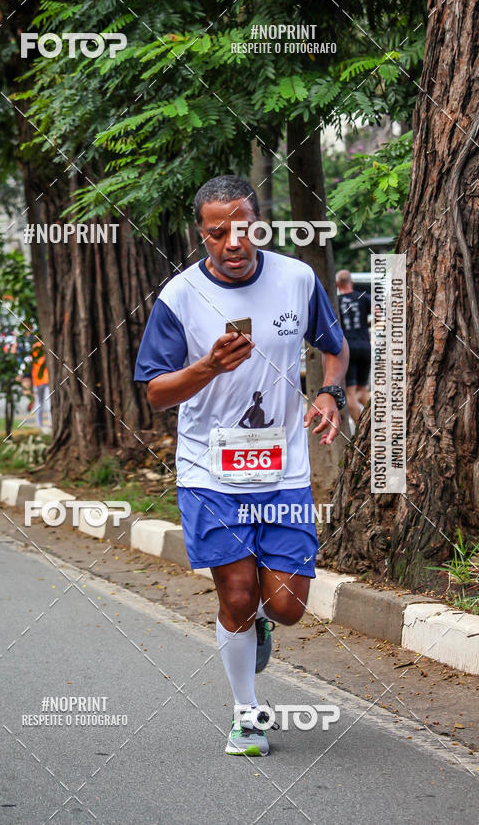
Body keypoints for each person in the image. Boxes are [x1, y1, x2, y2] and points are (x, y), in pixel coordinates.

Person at [134, 175, 348, 756]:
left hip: (283, 471)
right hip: (211, 472)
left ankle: (262, 625)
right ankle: (246, 713)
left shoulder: (297, 279)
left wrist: (330, 393)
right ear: (202, 236)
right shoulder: (179, 297)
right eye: (217, 231)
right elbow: (154, 392)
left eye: (243, 227)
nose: (232, 240)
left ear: (259, 225)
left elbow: (334, 345)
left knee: (287, 604)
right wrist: (207, 368)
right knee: (235, 595)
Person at [336, 269, 371, 422]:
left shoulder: (335, 301)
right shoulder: (363, 298)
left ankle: (360, 428)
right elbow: (377, 313)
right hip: (365, 346)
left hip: (347, 349)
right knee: (363, 390)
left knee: (350, 392)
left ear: (337, 284)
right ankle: (381, 423)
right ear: (352, 282)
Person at [31, 340, 51, 431]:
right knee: (48, 403)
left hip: (38, 380)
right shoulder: (45, 346)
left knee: (39, 404)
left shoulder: (34, 347)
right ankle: (50, 423)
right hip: (44, 379)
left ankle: (40, 425)